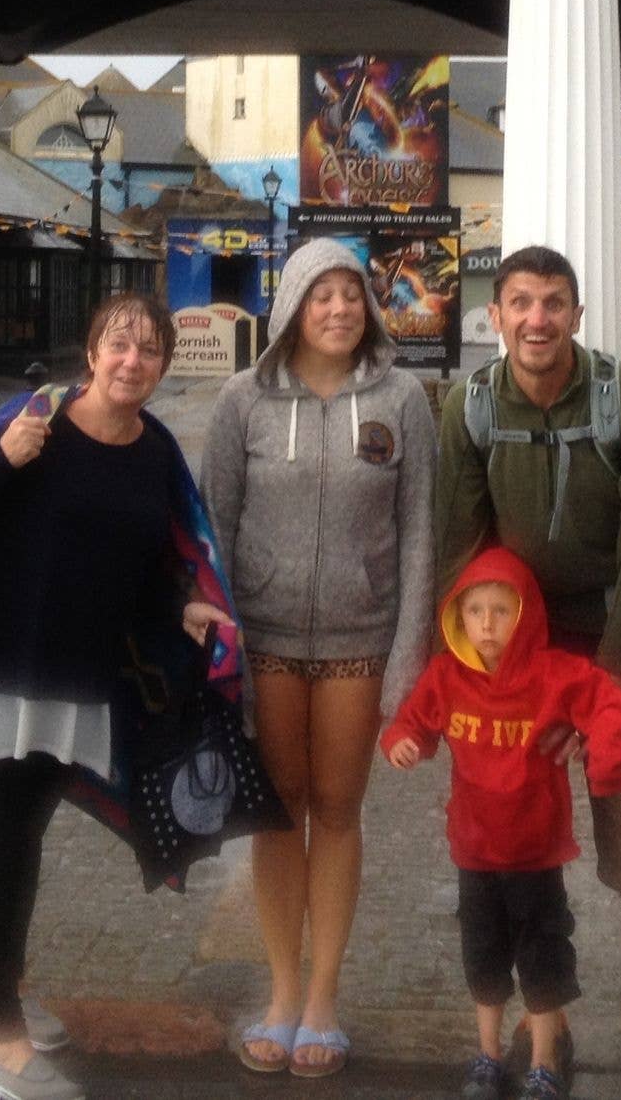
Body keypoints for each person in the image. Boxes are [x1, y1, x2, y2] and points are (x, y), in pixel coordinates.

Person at [0, 291, 242, 1100]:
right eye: (118, 343)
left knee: (25, 840)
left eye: (148, 349)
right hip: (0, 674)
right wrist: (2, 458)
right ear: (91, 350)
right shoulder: (34, 422)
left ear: (164, 365)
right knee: (5, 844)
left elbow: (143, 565)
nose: (131, 360)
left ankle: (1, 987)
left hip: (78, 680)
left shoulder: (154, 453)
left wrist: (180, 604)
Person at [434, 244, 621, 1100]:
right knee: (513, 834)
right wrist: (462, 673)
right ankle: (545, 1028)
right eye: (520, 302)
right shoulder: (471, 407)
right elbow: (458, 543)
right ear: (496, 317)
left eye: (554, 302)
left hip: (615, 632)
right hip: (509, 647)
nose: (537, 319)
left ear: (578, 312)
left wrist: (595, 696)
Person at [202, 236, 436, 1077]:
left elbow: (420, 536)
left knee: (337, 808)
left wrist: (410, 659)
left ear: (368, 305)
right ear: (292, 306)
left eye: (350, 293)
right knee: (278, 809)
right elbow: (212, 529)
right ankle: (280, 992)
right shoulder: (241, 402)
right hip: (263, 638)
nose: (337, 309)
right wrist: (217, 649)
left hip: (358, 638)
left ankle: (325, 998)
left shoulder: (403, 399)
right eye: (319, 293)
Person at [382, 546, 621, 1100]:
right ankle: (487, 1054)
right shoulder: (447, 675)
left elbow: (608, 701)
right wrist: (402, 741)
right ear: (459, 617)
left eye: (502, 610)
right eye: (476, 611)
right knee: (483, 958)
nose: (488, 624)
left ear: (525, 616)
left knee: (543, 959)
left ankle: (545, 1059)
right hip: (473, 852)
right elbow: (414, 720)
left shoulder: (551, 673)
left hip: (537, 854)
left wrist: (608, 760)